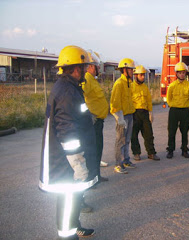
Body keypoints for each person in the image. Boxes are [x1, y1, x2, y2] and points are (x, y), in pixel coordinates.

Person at [39, 45, 98, 239]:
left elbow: (74, 117)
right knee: (67, 198)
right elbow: (66, 129)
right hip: (65, 160)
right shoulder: (66, 91)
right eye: (84, 66)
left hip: (67, 158)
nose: (85, 70)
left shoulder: (70, 87)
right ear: (75, 68)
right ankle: (68, 234)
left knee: (73, 198)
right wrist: (76, 161)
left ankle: (75, 225)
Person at [82, 50, 109, 182]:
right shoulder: (87, 79)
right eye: (97, 66)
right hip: (93, 122)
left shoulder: (92, 80)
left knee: (98, 149)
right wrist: (87, 114)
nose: (99, 69)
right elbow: (80, 98)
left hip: (98, 121)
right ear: (91, 66)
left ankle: (96, 176)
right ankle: (92, 178)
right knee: (92, 151)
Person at [110, 58, 136, 174]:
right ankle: (118, 164)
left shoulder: (129, 83)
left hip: (130, 115)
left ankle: (126, 160)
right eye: (131, 69)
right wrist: (119, 117)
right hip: (122, 116)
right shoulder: (119, 84)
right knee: (120, 140)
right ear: (124, 70)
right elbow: (114, 102)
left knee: (127, 140)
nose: (132, 72)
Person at [131, 65, 160, 161]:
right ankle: (136, 153)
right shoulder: (130, 87)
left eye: (143, 75)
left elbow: (148, 101)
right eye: (141, 75)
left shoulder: (145, 87)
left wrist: (151, 112)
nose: (143, 77)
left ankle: (151, 153)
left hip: (145, 113)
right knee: (134, 135)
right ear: (135, 75)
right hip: (134, 113)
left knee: (149, 134)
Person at [166, 62, 189, 159]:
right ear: (176, 74)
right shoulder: (172, 85)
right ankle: (170, 150)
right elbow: (169, 98)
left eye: (183, 72)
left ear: (185, 73)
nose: (182, 74)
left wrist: (185, 106)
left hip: (184, 110)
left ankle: (184, 150)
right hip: (174, 111)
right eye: (180, 72)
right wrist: (174, 106)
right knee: (172, 131)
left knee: (185, 131)